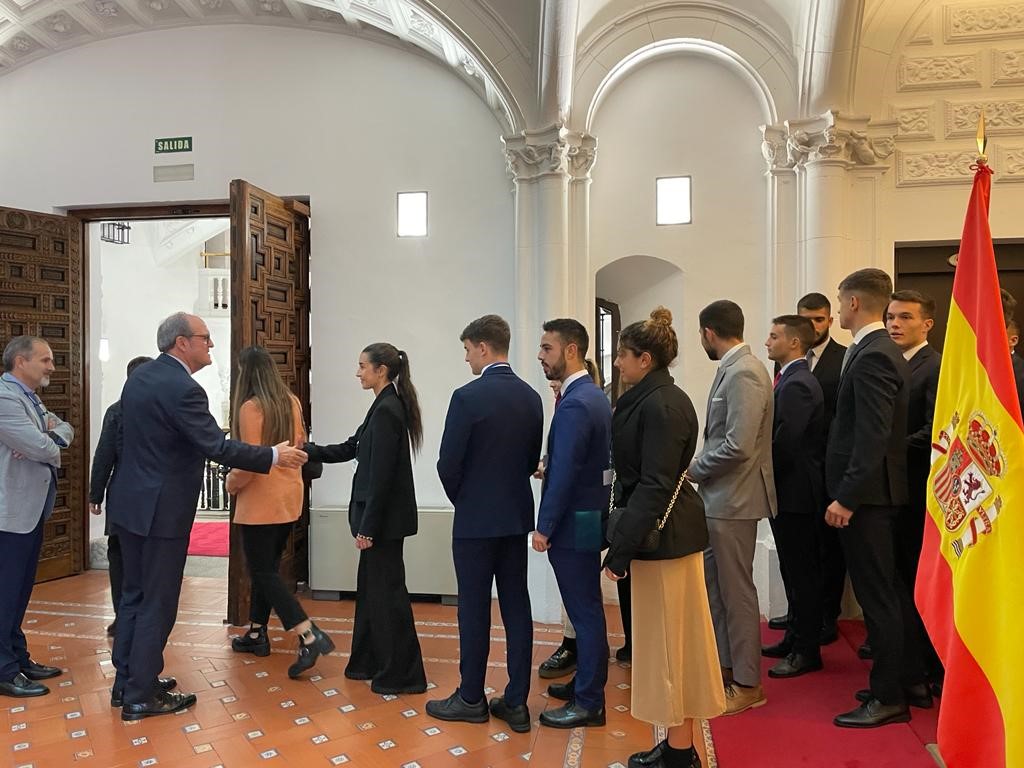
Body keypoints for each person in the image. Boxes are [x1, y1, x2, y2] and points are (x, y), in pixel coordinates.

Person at [107, 312, 308, 721]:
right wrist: (274, 454)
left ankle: (127, 681)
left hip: (130, 504)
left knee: (132, 596)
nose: (211, 346)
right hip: (161, 511)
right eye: (205, 338)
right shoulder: (184, 388)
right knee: (158, 602)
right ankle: (141, 696)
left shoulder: (141, 379)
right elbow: (217, 446)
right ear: (182, 342)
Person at [603, 307, 725, 768]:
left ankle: (679, 754)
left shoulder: (662, 405)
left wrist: (620, 550)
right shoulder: (652, 399)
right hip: (660, 538)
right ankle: (677, 745)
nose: (617, 363)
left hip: (665, 541)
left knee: (671, 648)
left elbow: (655, 485)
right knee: (668, 647)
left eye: (623, 355)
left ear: (645, 359)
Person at [427, 315, 543, 732]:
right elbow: (531, 461)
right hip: (515, 519)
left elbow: (447, 464)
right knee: (517, 606)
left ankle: (471, 697)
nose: (465, 358)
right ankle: (517, 702)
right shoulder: (532, 398)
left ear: (482, 347)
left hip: (475, 522)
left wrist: (467, 501)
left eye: (466, 350)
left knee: (474, 608)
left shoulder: (467, 397)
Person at [826, 269, 928, 728]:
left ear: (851, 304)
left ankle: (889, 696)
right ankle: (898, 680)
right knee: (884, 594)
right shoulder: (875, 350)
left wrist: (846, 497)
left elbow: (871, 436)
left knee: (879, 597)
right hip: (873, 495)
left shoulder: (873, 355)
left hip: (869, 498)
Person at [304, 343, 426, 694]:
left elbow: (383, 476)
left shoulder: (389, 409)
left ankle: (402, 675)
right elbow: (352, 447)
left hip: (382, 525)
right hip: (379, 522)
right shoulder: (383, 406)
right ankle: (368, 663)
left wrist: (368, 528)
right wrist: (308, 451)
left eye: (362, 366)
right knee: (374, 595)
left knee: (388, 598)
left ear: (381, 370)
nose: (358, 373)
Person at [688, 300, 776, 715]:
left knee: (737, 593)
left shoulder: (745, 372)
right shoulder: (732, 368)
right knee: (716, 590)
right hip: (718, 499)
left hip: (734, 500)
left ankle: (747, 682)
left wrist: (693, 470)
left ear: (709, 332)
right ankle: (724, 666)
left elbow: (738, 445)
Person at [226, 346, 334, 678]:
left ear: (246, 374)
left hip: (260, 501)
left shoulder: (250, 407)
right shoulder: (291, 401)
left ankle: (307, 633)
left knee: (262, 572)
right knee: (267, 569)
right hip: (289, 498)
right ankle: (257, 633)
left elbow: (252, 460)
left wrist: (231, 482)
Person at [533, 319, 612, 729]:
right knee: (586, 606)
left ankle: (589, 701)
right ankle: (586, 681)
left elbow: (565, 471)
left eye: (547, 348)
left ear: (570, 350)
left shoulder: (578, 402)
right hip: (587, 512)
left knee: (584, 609)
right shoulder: (589, 395)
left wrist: (544, 526)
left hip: (574, 518)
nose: (540, 356)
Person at [0, 336, 75, 698]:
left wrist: (49, 439)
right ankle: (3, 669)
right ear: (20, 362)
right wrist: (45, 442)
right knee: (6, 592)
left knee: (19, 591)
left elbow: (63, 429)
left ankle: (17, 656)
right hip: (9, 514)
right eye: (44, 360)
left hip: (30, 511)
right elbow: (38, 444)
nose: (51, 367)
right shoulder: (3, 398)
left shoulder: (30, 397)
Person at [761, 316, 825, 679]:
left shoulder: (799, 383)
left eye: (774, 336)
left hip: (798, 491)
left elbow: (787, 442)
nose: (767, 342)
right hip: (789, 490)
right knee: (791, 568)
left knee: (803, 573)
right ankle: (795, 636)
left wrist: (761, 467)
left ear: (796, 343)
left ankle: (806, 650)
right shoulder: (789, 377)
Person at [885, 290, 943, 690]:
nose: (895, 324)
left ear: (927, 324)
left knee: (916, 578)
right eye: (891, 316)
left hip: (918, 487)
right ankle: (906, 663)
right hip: (892, 487)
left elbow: (934, 428)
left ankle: (926, 667)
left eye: (905, 317)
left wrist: (885, 449)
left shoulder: (935, 366)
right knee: (897, 578)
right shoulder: (888, 360)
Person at [790, 292, 847, 645]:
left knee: (829, 548)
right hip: (800, 471)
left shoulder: (843, 358)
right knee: (803, 549)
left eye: (820, 319)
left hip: (830, 465)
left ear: (829, 320)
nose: (813, 326)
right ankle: (802, 612)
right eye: (806, 320)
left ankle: (828, 615)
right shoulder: (791, 360)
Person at [89, 355, 153, 637]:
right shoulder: (160, 411)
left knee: (120, 557)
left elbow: (105, 454)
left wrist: (96, 492)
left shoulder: (117, 410)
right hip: (151, 496)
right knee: (147, 557)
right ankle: (142, 616)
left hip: (122, 494)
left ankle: (122, 616)